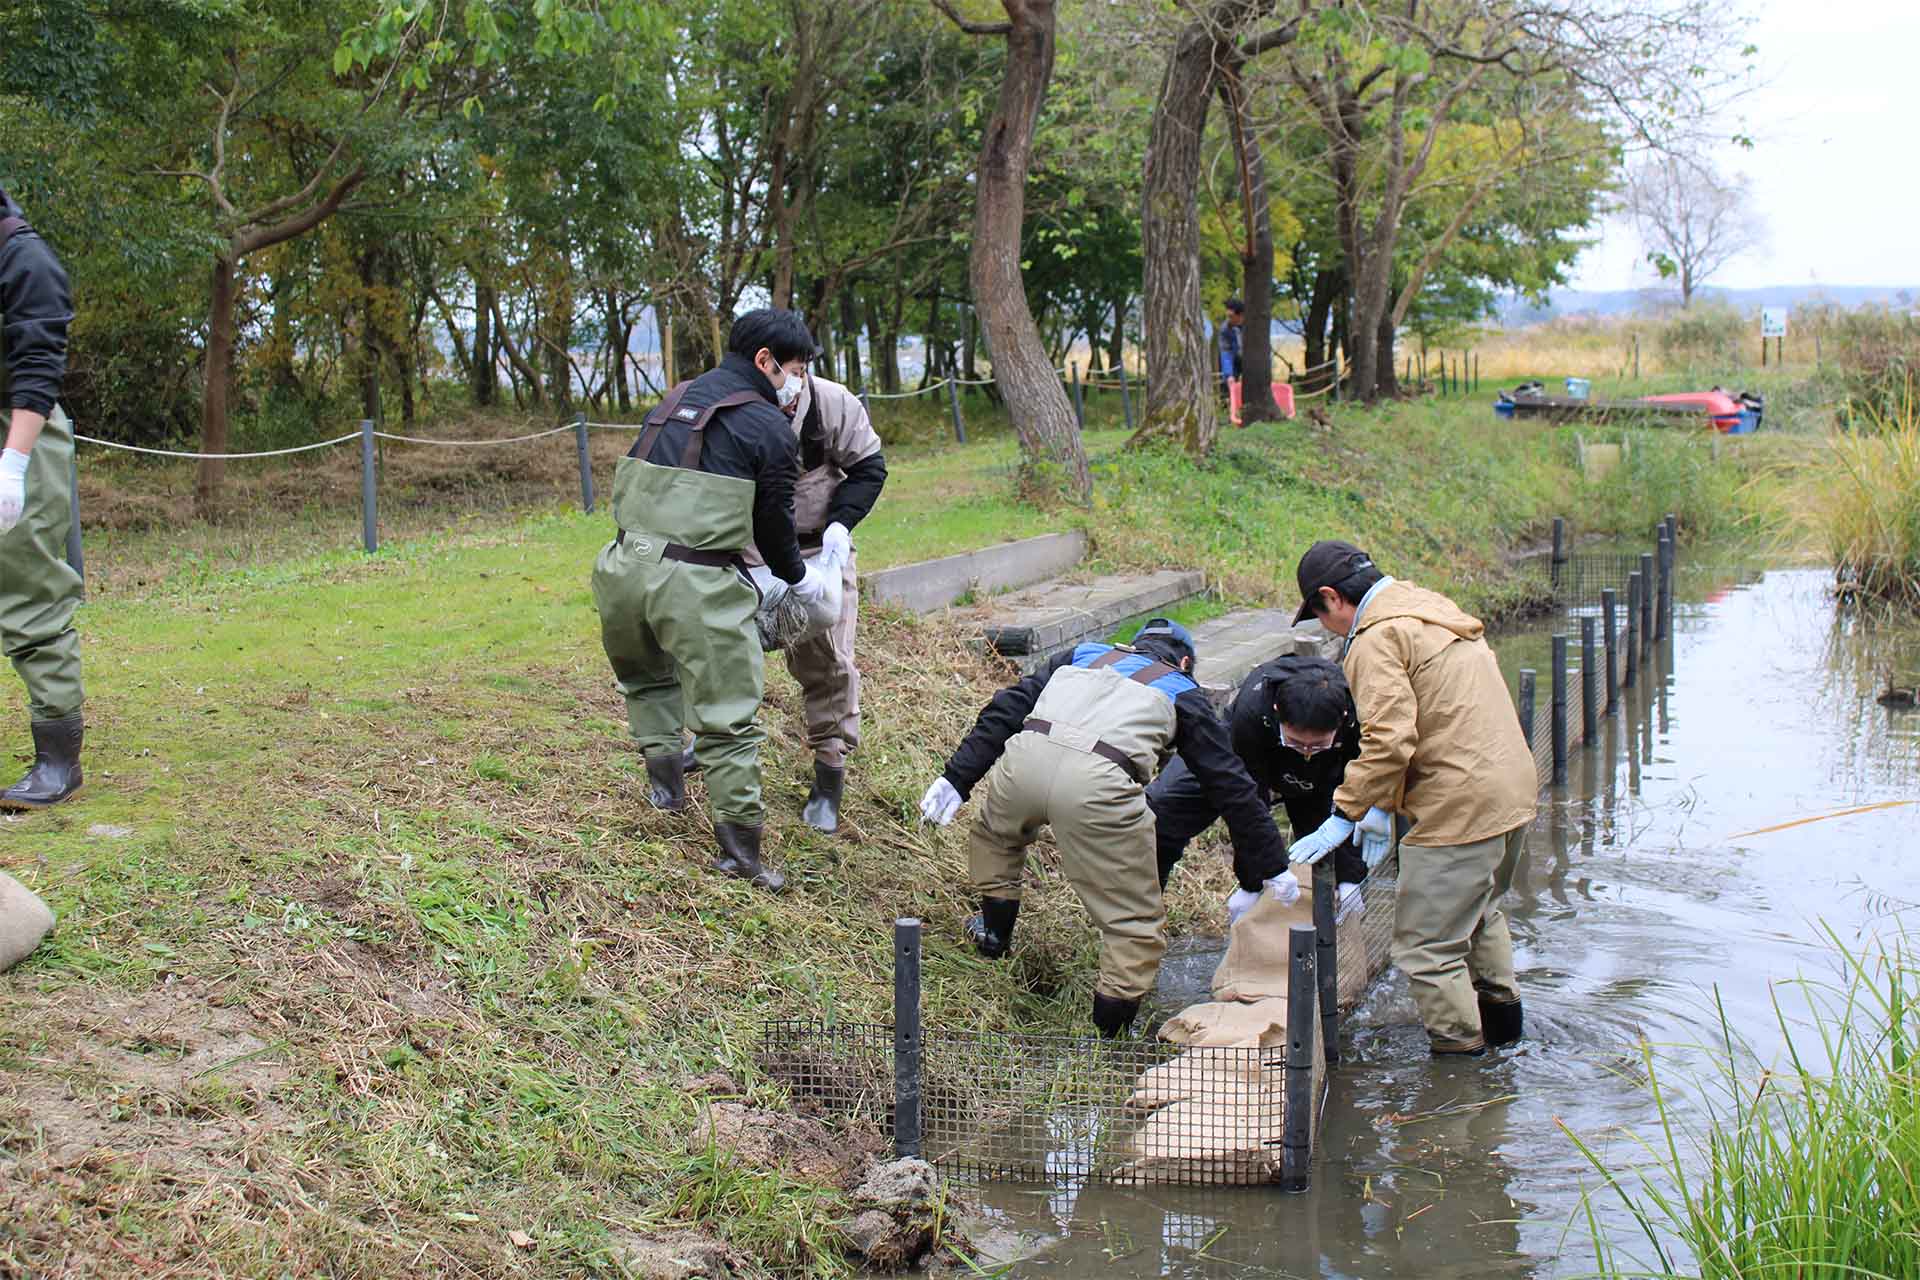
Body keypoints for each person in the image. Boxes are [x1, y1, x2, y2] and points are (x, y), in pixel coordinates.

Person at [918, 619, 1292, 1038]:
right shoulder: (1182, 689)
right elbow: (1228, 781)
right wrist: (1270, 863)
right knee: (1132, 920)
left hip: (1022, 764)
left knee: (997, 839)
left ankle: (993, 936)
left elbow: (1006, 709)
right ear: (1184, 661)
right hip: (1100, 787)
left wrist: (957, 777)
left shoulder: (1081, 655)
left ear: (1133, 646)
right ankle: (1110, 1039)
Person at [593, 309, 831, 893]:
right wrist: (800, 579)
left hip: (622, 566)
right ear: (765, 361)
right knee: (728, 719)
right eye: (796, 369)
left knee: (647, 680)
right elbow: (775, 525)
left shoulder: (672, 401)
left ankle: (667, 791)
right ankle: (741, 854)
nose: (797, 382)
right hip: (693, 582)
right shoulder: (768, 426)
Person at [1288, 540, 1536, 1055]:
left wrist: (1346, 812)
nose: (1327, 630)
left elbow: (1389, 739)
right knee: (1480, 913)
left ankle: (1463, 1080)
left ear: (1332, 598)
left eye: (1319, 615)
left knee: (1427, 949)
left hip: (1458, 806)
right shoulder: (1430, 608)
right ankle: (1509, 1045)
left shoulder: (1377, 638)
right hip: (1511, 790)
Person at [689, 366, 886, 835]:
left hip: (820, 549)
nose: (791, 382)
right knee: (725, 645)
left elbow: (870, 468)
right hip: (750, 546)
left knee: (829, 659)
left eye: (798, 368)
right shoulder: (733, 404)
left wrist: (841, 524)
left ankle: (829, 774)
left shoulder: (832, 404)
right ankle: (714, 740)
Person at [1147, 655, 1374, 921]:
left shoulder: (1359, 713)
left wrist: (1350, 876)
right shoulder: (1252, 711)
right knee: (1165, 807)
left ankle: (1335, 901)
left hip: (1322, 775)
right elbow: (1246, 799)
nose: (1307, 751)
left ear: (1343, 719)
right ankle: (1146, 913)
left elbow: (1353, 789)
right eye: (1298, 742)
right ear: (1277, 711)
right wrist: (1252, 880)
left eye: (1318, 745)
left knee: (1319, 823)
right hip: (1249, 753)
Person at [0, 187, 84, 810]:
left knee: (28, 588)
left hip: (19, 430)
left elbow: (37, 368)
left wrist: (14, 463)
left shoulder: (27, 263)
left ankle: (58, 758)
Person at [1216, 298, 1244, 401]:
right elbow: (1225, 352)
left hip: (1250, 360)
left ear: (1240, 315)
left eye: (1231, 316)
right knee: (1228, 384)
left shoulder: (1251, 326)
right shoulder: (1224, 329)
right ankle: (1227, 406)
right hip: (1234, 360)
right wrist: (1229, 375)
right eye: (1227, 316)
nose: (1228, 319)